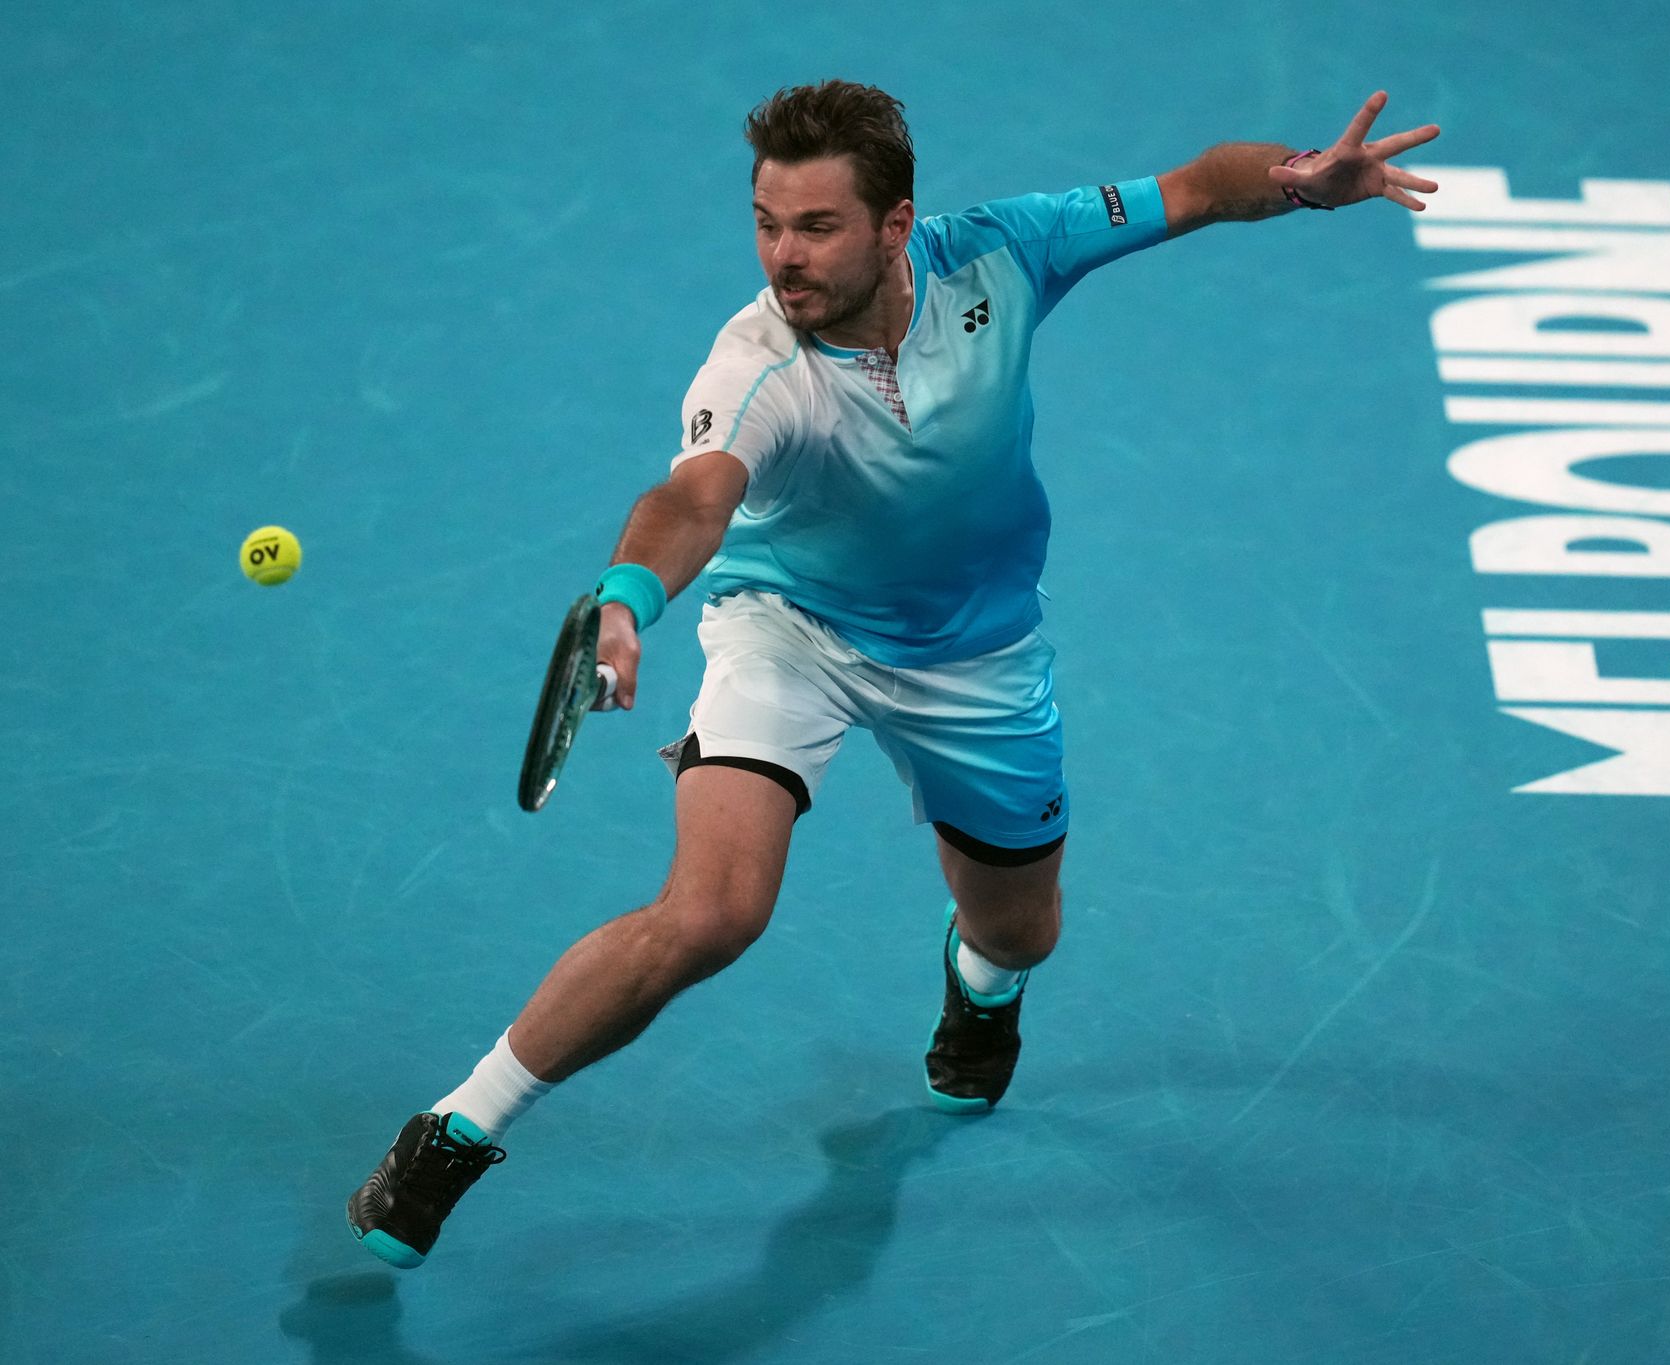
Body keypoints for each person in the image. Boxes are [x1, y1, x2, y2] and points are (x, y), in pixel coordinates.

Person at [347, 79, 1440, 1269]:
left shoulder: (1005, 252)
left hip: (976, 656)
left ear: (895, 224)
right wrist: (626, 597)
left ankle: (979, 988)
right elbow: (692, 499)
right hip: (790, 633)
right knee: (712, 912)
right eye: (766, 224)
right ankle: (455, 1130)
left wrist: (1297, 181)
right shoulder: (755, 366)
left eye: (816, 226)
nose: (784, 257)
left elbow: (1194, 188)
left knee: (1020, 931)